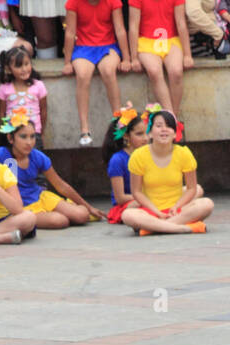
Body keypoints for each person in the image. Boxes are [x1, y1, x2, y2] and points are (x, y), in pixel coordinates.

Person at [0, 111, 102, 227]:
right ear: (10, 138)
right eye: (23, 137)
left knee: (82, 215)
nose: (29, 142)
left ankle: (67, 208)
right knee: (60, 221)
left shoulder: (37, 156)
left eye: (32, 137)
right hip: (20, 207)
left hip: (39, 197)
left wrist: (89, 207)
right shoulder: (0, 155)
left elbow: (60, 185)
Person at [122, 106, 213, 234]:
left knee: (207, 204)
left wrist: (176, 207)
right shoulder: (138, 155)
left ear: (175, 133)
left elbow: (191, 188)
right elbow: (136, 192)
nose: (164, 129)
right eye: (159, 126)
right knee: (127, 215)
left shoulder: (184, 154)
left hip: (177, 210)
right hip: (151, 211)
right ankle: (184, 228)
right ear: (150, 132)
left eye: (169, 126)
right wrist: (156, 212)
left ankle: (154, 228)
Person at [63, 0, 133, 146]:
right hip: (83, 47)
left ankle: (118, 120)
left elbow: (120, 30)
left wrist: (126, 58)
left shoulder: (113, 2)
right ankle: (84, 128)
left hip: (107, 46)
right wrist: (67, 62)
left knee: (108, 71)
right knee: (82, 75)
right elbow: (70, 33)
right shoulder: (73, 3)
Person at [129, 0, 192, 130]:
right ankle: (171, 121)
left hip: (171, 40)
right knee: (154, 70)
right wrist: (134, 57)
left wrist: (187, 54)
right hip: (146, 41)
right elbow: (133, 26)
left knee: (176, 71)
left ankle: (172, 117)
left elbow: (181, 23)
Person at [104, 105, 147, 222]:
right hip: (128, 204)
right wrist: (147, 198)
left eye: (147, 132)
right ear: (126, 135)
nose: (146, 138)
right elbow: (120, 198)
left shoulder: (150, 154)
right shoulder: (117, 160)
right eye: (139, 134)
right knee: (138, 205)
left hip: (151, 198)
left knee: (196, 189)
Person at [0, 46, 47, 141]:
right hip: (12, 135)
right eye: (18, 66)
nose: (24, 69)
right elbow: (1, 114)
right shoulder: (4, 89)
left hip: (33, 133)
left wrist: (41, 132)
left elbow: (43, 111)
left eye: (27, 64)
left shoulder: (39, 86)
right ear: (8, 69)